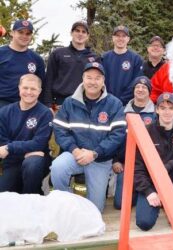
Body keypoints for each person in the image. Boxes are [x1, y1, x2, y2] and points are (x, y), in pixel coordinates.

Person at [50, 62, 126, 212]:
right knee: (58, 167)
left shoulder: (114, 104)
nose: (93, 82)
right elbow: (60, 130)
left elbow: (117, 136)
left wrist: (94, 153)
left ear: (103, 81)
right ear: (83, 79)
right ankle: (67, 203)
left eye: (97, 78)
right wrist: (75, 150)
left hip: (100, 159)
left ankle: (90, 207)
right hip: (75, 155)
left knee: (95, 210)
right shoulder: (69, 102)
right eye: (89, 77)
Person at [135, 92, 173, 231]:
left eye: (171, 108)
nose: (167, 112)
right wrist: (148, 191)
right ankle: (156, 201)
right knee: (144, 223)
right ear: (156, 110)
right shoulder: (147, 131)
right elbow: (137, 167)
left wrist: (167, 166)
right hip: (152, 183)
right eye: (162, 108)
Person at [0, 74, 52, 194]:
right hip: (12, 161)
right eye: (25, 88)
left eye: (33, 89)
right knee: (3, 195)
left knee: (32, 163)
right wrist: (22, 151)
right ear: (19, 88)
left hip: (36, 161)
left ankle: (32, 197)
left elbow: (39, 143)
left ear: (39, 91)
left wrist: (10, 147)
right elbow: (2, 141)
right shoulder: (4, 112)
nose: (29, 92)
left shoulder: (44, 113)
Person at [113, 76, 156, 209]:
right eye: (137, 87)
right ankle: (137, 193)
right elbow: (115, 137)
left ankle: (143, 191)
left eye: (144, 87)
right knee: (120, 204)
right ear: (133, 90)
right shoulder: (121, 112)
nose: (140, 89)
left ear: (149, 91)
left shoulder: (156, 113)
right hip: (126, 163)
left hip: (148, 165)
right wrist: (116, 160)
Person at [43, 21, 99, 107]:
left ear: (87, 36)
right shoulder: (58, 54)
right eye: (77, 31)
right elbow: (49, 80)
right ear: (71, 33)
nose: (80, 34)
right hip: (61, 103)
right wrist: (48, 104)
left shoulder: (94, 58)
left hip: (85, 103)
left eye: (83, 32)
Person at [0, 20, 45, 108]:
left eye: (28, 33)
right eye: (20, 32)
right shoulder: (1, 53)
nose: (24, 36)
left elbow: (41, 85)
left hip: (26, 106)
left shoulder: (37, 59)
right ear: (12, 33)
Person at [102, 25, 144, 106]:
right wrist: (108, 99)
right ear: (113, 38)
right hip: (106, 103)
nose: (120, 39)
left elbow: (136, 83)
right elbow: (101, 80)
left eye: (124, 36)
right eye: (117, 36)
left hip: (127, 104)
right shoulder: (104, 58)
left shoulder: (136, 59)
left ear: (128, 39)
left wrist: (121, 100)